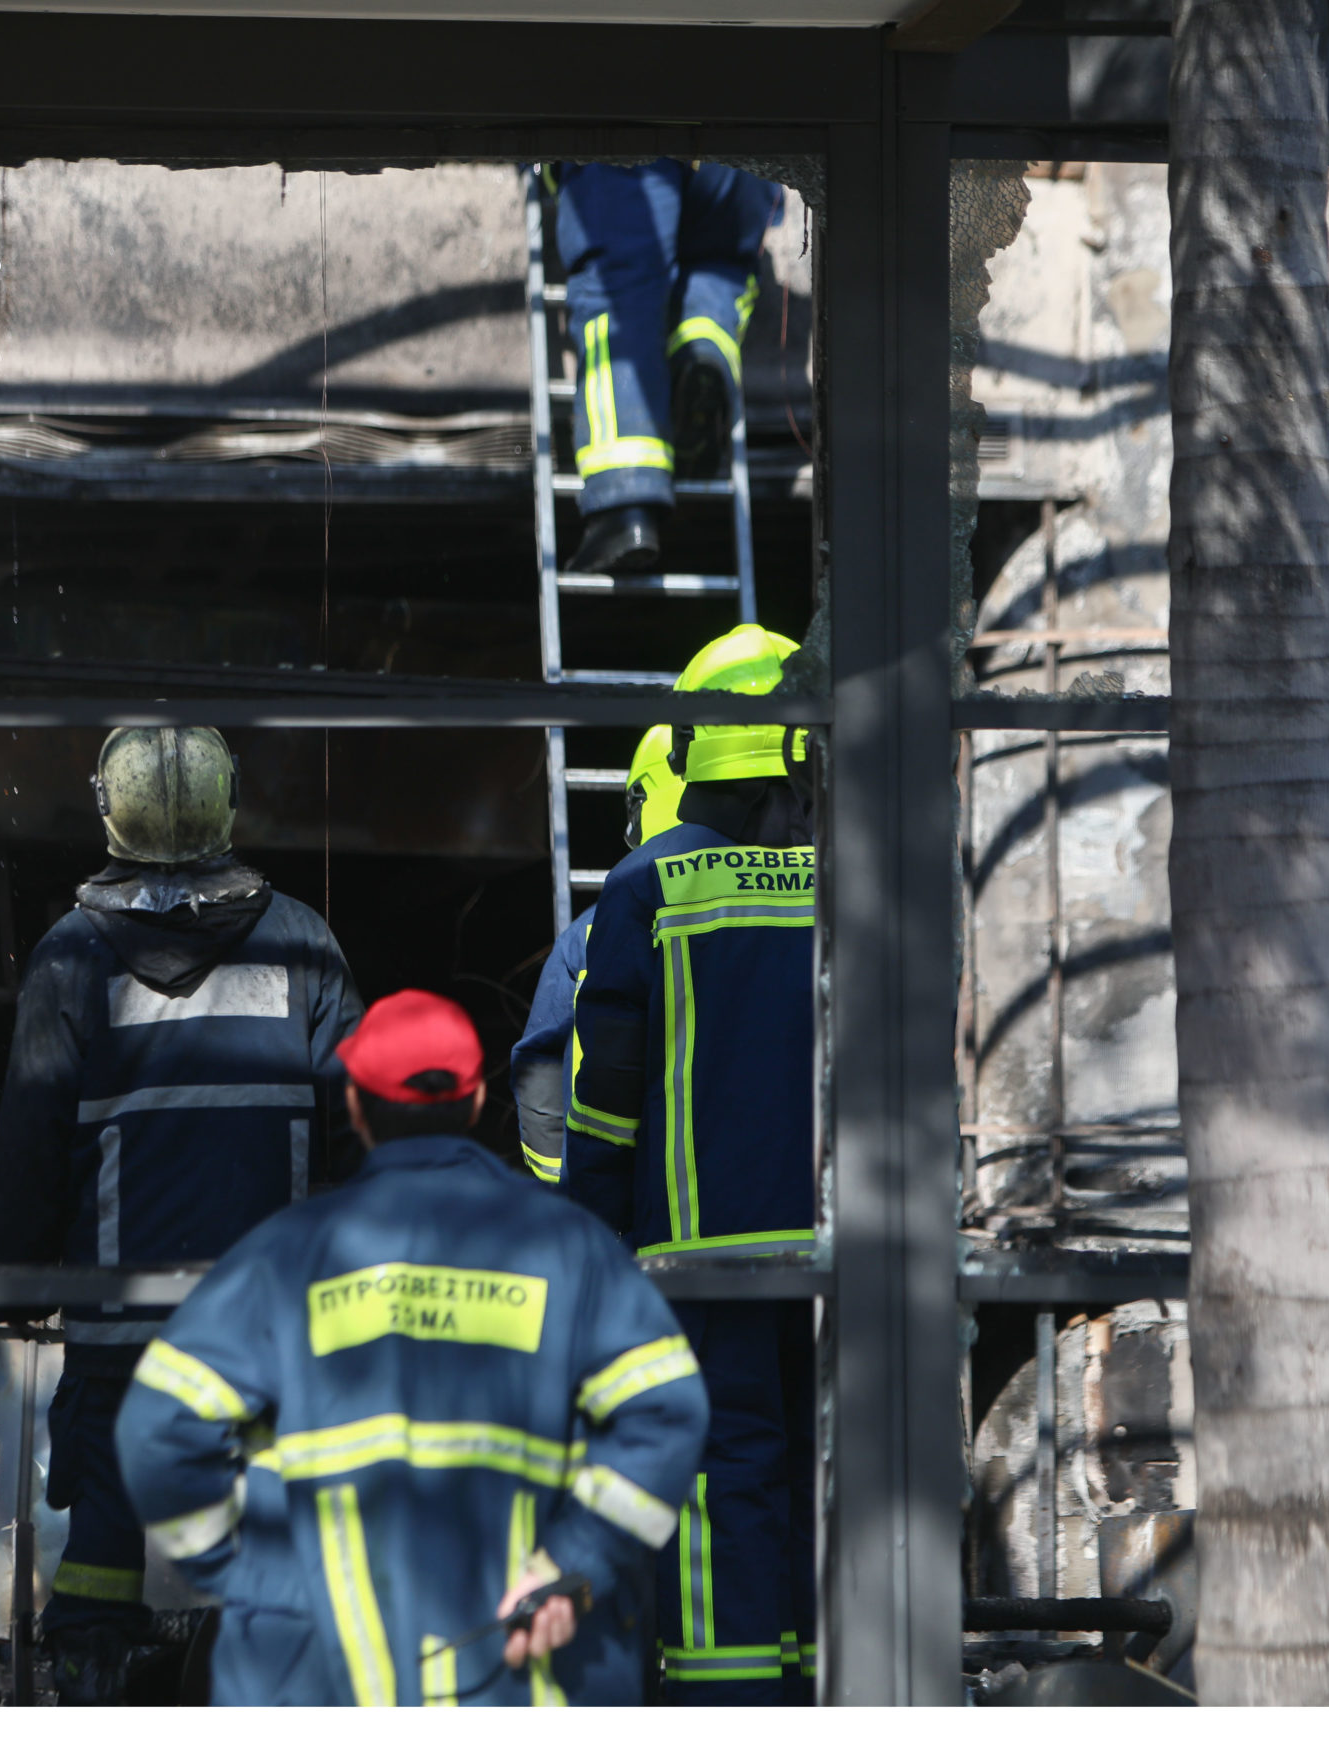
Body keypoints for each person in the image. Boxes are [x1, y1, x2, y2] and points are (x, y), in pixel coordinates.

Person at [114, 990, 710, 1706]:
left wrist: (250, 1574)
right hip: (524, 1669)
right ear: (479, 1098)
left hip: (318, 1674)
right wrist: (576, 1560)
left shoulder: (285, 1255)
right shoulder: (570, 1247)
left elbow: (157, 1427)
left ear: (358, 1108)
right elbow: (668, 1412)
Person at [0, 726, 363, 1701]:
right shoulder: (302, 941)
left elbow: (31, 1130)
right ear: (227, 803)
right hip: (265, 1322)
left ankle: (91, 1687)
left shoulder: (71, 956)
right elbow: (356, 1127)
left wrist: (18, 1271)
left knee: (108, 1524)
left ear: (108, 808)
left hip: (121, 1323)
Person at [561, 623, 818, 1702]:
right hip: (842, 1251)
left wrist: (593, 1244)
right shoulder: (850, 881)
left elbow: (603, 1100)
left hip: (698, 1260)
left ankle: (732, 1701)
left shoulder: (644, 887)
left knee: (722, 1481)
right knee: (832, 1473)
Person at [554, 160, 783, 577]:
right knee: (718, 268)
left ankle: (623, 505)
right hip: (743, 142)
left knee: (619, 294)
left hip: (630, 130)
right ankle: (699, 356)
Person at [509, 725, 684, 1185]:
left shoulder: (592, 929)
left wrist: (564, 1185)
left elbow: (540, 1058)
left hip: (626, 1201)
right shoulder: (806, 909)